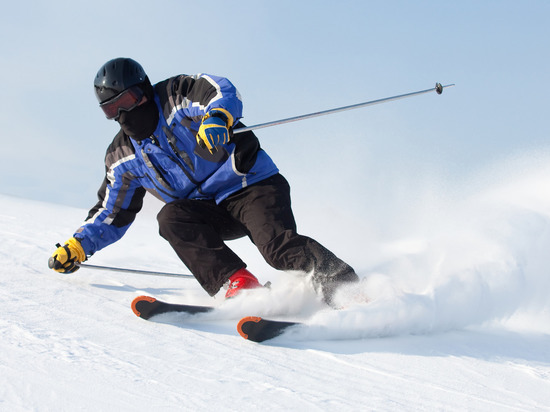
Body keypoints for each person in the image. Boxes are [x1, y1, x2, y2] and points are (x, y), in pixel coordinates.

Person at [48, 57, 358, 305]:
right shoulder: (122, 156)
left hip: (250, 187)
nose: (123, 112)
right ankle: (238, 284)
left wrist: (217, 117)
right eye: (112, 109)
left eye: (127, 100)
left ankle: (346, 286)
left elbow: (218, 90)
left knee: (276, 249)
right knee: (170, 217)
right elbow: (111, 212)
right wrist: (78, 245)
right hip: (209, 212)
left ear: (143, 90)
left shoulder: (174, 97)